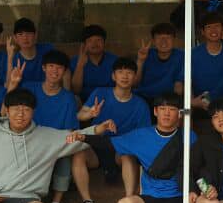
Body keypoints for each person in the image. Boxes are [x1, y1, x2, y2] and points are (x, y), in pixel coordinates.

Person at [113, 93, 221, 203]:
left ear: (179, 114)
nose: (167, 113)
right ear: (155, 112)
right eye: (162, 109)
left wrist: (201, 189)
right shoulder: (141, 135)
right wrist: (84, 136)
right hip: (151, 201)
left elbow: (198, 168)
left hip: (183, 200)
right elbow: (109, 144)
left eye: (172, 109)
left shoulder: (189, 136)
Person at [0, 49, 96, 203]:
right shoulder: (29, 88)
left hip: (52, 141)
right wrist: (13, 83)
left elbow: (69, 132)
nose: (55, 71)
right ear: (43, 68)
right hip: (29, 140)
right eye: (51, 66)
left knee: (70, 150)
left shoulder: (68, 98)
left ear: (65, 71)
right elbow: (5, 113)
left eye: (59, 68)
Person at [78, 57, 151, 185]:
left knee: (127, 155)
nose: (125, 76)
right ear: (113, 76)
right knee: (78, 155)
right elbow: (79, 116)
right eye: (120, 72)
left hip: (121, 147)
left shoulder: (141, 105)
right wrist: (90, 114)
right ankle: (86, 197)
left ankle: (130, 195)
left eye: (129, 73)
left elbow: (143, 135)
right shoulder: (100, 93)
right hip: (97, 143)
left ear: (135, 77)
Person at [0, 18, 57, 87]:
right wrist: (10, 59)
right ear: (15, 38)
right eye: (20, 34)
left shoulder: (47, 50)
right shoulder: (7, 58)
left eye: (29, 33)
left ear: (35, 35)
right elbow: (8, 87)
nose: (25, 38)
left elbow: (61, 72)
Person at [135, 22, 184, 101]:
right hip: (144, 97)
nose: (163, 41)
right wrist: (140, 60)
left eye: (168, 37)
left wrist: (174, 104)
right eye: (159, 38)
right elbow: (135, 83)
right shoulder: (147, 54)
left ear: (174, 39)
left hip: (167, 100)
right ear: (153, 41)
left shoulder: (181, 56)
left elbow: (178, 86)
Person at [71, 24, 117, 103]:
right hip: (84, 103)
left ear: (104, 42)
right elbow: (76, 91)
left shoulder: (114, 60)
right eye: (90, 40)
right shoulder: (75, 60)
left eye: (98, 40)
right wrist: (80, 65)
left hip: (109, 100)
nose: (94, 44)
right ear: (84, 44)